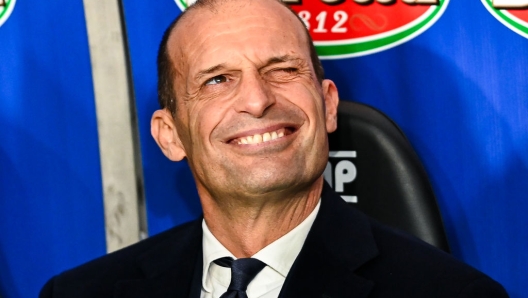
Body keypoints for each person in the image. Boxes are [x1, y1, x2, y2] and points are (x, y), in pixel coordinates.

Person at [40, 0, 509, 297]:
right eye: (218, 79)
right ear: (170, 135)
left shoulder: (450, 293)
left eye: (283, 70)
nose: (258, 99)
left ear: (327, 106)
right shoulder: (79, 293)